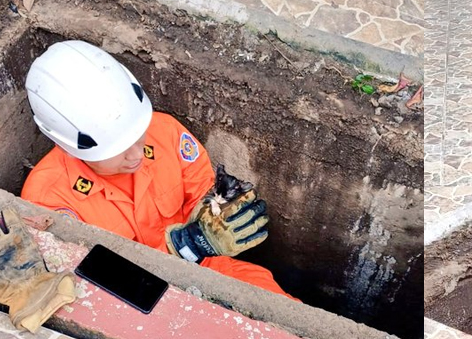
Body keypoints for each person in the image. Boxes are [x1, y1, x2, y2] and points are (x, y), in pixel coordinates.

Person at [20, 40, 297, 301]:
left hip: (207, 268)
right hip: (135, 299)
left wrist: (218, 210)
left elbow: (200, 190)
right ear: (72, 147)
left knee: (278, 308)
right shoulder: (47, 199)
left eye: (137, 136)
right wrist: (184, 247)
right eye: (117, 150)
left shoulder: (165, 132)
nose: (136, 154)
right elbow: (89, 281)